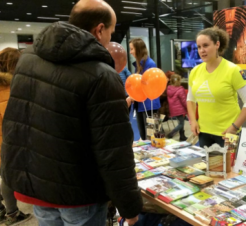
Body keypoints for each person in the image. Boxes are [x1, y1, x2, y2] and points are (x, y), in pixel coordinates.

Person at [1, 0, 142, 225]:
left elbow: (16, 124)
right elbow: (113, 152)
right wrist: (130, 207)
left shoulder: (28, 60)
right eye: (111, 32)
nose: (110, 39)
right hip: (80, 194)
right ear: (99, 29)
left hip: (38, 186)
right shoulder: (102, 75)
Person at [187, 27, 246, 148]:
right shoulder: (195, 72)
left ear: (217, 44)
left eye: (206, 45)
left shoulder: (233, 70)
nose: (202, 50)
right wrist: (193, 121)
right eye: (199, 47)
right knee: (206, 166)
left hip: (227, 132)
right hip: (204, 132)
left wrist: (235, 127)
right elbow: (190, 100)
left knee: (229, 167)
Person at [0, 48, 32, 225]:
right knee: (8, 176)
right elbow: (12, 121)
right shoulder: (9, 88)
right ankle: (12, 213)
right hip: (6, 141)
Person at [129, 38, 161, 140]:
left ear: (138, 49)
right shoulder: (139, 65)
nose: (130, 52)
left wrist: (132, 96)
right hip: (140, 104)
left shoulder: (150, 64)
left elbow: (149, 85)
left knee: (153, 136)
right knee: (143, 136)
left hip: (149, 105)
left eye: (132, 49)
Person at [166, 74, 188, 141]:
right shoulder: (180, 89)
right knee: (181, 124)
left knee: (181, 122)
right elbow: (184, 101)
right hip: (180, 109)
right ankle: (171, 134)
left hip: (173, 109)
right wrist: (188, 108)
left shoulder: (169, 89)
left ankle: (182, 136)